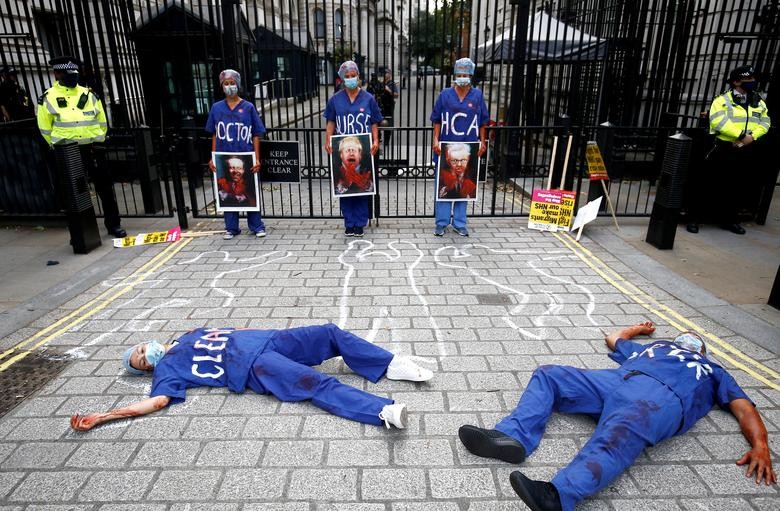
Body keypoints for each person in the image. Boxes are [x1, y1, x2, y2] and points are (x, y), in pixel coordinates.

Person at [458, 322, 776, 511]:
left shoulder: (711, 370)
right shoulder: (657, 348)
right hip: (618, 381)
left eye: (694, 340)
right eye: (685, 335)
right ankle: (513, 437)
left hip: (659, 398)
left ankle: (557, 495)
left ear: (702, 351)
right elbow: (614, 338)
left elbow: (744, 407)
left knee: (619, 434)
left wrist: (761, 445)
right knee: (551, 375)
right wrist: (641, 329)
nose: (688, 339)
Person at [69, 323, 434, 431]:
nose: (144, 353)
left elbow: (232, 329)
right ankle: (381, 411)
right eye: (139, 360)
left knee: (329, 333)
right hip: (254, 368)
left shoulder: (190, 333)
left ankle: (388, 364)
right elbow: (158, 401)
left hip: (269, 340)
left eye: (139, 348)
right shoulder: (168, 370)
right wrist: (105, 416)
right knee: (316, 384)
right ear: (145, 368)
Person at [36, 56, 125, 238]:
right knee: (74, 193)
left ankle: (113, 224)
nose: (72, 77)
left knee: (105, 188)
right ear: (57, 74)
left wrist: (99, 141)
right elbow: (44, 127)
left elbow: (101, 120)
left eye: (74, 73)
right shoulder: (48, 97)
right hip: (68, 151)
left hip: (92, 149)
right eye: (68, 74)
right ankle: (80, 232)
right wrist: (56, 146)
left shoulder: (89, 94)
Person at [687, 65, 771, 235]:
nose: (752, 82)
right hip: (724, 148)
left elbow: (765, 122)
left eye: (753, 79)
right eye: (748, 80)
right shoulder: (722, 100)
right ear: (736, 82)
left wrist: (751, 137)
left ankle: (728, 220)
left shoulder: (758, 101)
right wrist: (740, 135)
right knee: (708, 184)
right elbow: (718, 121)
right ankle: (694, 218)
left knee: (736, 186)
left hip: (746, 149)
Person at [431, 57, 489, 237]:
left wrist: (482, 141)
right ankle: (441, 223)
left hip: (468, 148)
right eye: (459, 74)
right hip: (446, 147)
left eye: (465, 74)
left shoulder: (477, 95)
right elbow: (437, 120)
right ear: (455, 75)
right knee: (444, 186)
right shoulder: (445, 95)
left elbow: (482, 121)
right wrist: (435, 139)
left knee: (464, 186)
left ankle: (459, 223)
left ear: (471, 75)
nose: (462, 77)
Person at [206, 69, 266, 240]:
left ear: (238, 84)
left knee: (249, 191)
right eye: (226, 83)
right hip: (225, 156)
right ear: (222, 86)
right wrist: (213, 155)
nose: (229, 86)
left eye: (232, 83)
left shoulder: (248, 107)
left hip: (245, 156)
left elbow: (256, 133)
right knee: (227, 191)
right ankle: (231, 228)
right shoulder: (216, 108)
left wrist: (256, 157)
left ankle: (256, 226)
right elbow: (215, 133)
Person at [324, 60, 382, 237]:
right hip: (343, 147)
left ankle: (360, 222)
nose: (350, 79)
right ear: (342, 79)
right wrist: (328, 140)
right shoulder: (335, 100)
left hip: (361, 149)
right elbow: (330, 122)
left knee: (362, 185)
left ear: (358, 77)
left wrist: (376, 140)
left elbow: (374, 122)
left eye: (353, 76)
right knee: (345, 186)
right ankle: (349, 222)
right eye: (347, 77)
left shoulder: (368, 98)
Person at [379, 69, 399, 151]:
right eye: (384, 73)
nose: (385, 74)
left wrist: (388, 90)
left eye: (386, 73)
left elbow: (396, 95)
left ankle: (386, 141)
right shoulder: (381, 83)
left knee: (388, 123)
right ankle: (379, 139)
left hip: (389, 106)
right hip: (380, 106)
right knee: (378, 122)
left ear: (390, 74)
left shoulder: (392, 84)